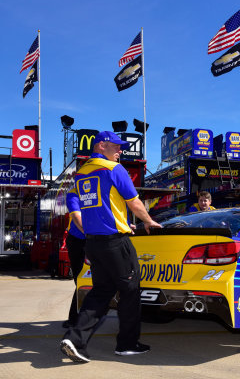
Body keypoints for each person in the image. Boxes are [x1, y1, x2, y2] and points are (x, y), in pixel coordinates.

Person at [60, 131, 162, 363]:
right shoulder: (115, 169)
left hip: (93, 242)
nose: (120, 151)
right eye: (117, 146)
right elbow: (134, 202)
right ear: (102, 145)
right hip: (115, 241)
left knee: (102, 291)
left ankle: (74, 339)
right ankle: (127, 344)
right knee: (130, 290)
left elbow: (89, 207)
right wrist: (148, 220)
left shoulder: (81, 174)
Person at [62, 187, 86, 328]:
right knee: (80, 279)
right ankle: (75, 318)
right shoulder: (74, 192)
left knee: (84, 280)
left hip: (90, 238)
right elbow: (77, 218)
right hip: (79, 239)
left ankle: (75, 318)